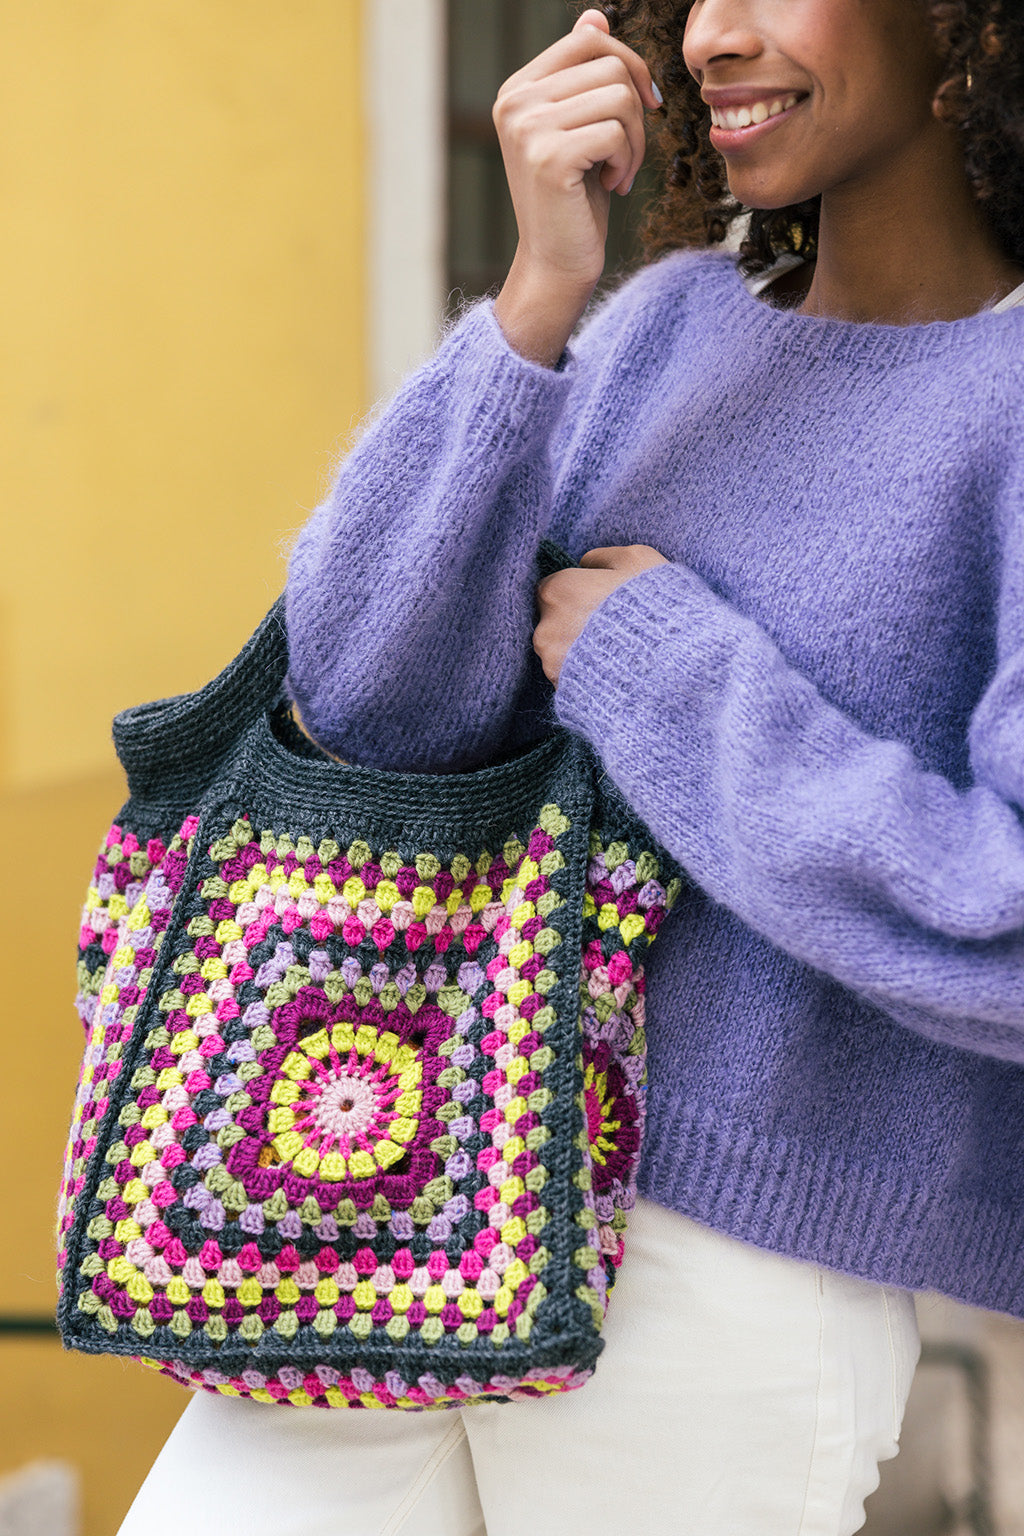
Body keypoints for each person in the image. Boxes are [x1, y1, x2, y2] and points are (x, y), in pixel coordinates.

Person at [118, 2, 1024, 1533]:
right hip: (402, 1165)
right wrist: (537, 302)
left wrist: (664, 671)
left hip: (731, 1259)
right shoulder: (665, 326)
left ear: (965, 28)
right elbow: (365, 703)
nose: (718, 34)